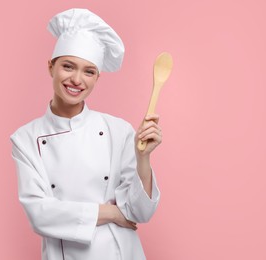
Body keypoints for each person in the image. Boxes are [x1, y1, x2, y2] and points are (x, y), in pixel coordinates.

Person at [10, 8, 162, 260]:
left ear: (97, 78)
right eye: (68, 67)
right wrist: (111, 213)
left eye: (89, 71)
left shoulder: (119, 130)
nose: (77, 80)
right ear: (51, 67)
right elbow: (40, 214)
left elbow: (139, 213)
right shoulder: (25, 138)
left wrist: (143, 158)